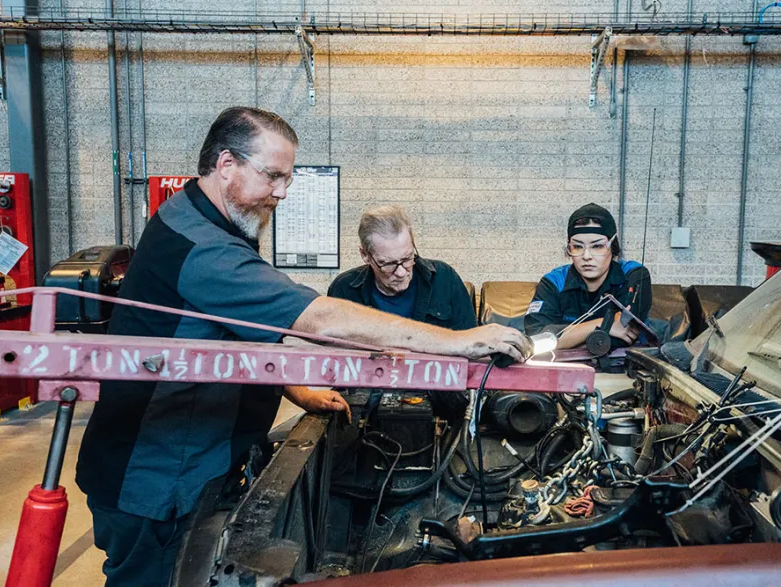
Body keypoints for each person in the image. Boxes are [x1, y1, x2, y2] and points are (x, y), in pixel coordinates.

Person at [75, 106, 531, 587]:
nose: (282, 192)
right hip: (156, 481)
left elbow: (238, 331)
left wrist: (297, 391)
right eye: (272, 176)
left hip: (193, 463)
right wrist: (460, 341)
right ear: (226, 164)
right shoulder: (201, 247)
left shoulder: (199, 219)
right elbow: (320, 319)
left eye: (286, 178)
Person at [308, 204, 476, 413]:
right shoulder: (344, 290)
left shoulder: (445, 279)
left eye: (407, 259)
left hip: (438, 406)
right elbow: (335, 365)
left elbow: (470, 349)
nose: (401, 272)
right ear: (366, 255)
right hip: (366, 410)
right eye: (388, 264)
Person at [524, 202, 652, 351]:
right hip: (565, 367)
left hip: (623, 367)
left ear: (613, 246)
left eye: (597, 246)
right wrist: (604, 324)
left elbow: (626, 332)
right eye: (577, 247)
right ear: (569, 248)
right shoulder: (553, 281)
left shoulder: (633, 274)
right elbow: (537, 339)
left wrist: (565, 338)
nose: (586, 256)